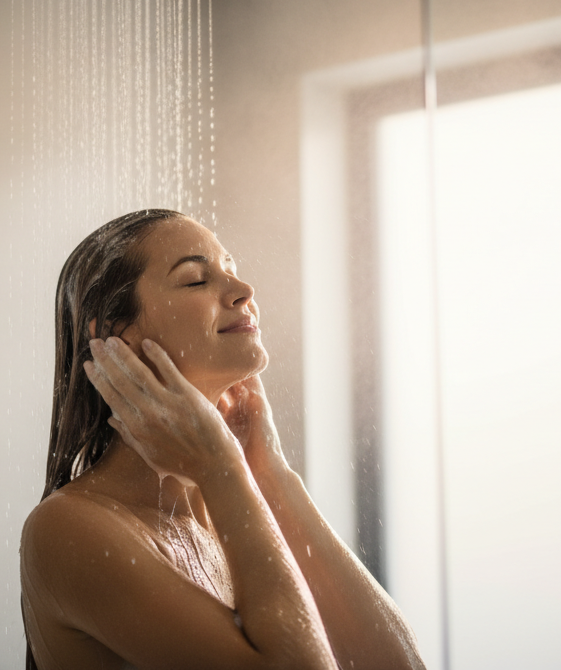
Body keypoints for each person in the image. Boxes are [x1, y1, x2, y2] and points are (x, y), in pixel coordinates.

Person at [21, 208, 425, 670]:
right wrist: (223, 468)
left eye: (231, 270)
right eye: (196, 279)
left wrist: (270, 473)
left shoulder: (227, 510)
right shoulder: (70, 529)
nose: (244, 291)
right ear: (116, 337)